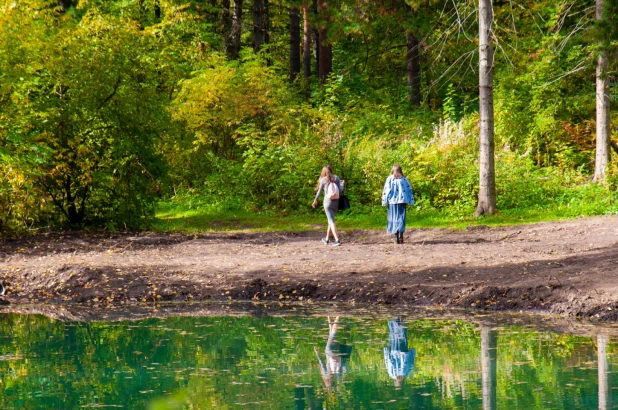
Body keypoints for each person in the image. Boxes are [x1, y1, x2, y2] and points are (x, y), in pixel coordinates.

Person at [314, 316, 352, 390]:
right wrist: (317, 353)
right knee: (331, 334)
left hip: (334, 351)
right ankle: (329, 315)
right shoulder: (331, 375)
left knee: (333, 334)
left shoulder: (332, 375)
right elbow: (322, 363)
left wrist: (317, 354)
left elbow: (344, 364)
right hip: (332, 351)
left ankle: (338, 315)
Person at [381, 164, 414, 244]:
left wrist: (410, 200)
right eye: (395, 175)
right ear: (393, 173)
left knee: (400, 218)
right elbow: (386, 191)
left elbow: (409, 190)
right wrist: (384, 201)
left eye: (398, 175)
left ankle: (400, 235)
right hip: (392, 202)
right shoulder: (390, 179)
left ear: (401, 173)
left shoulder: (404, 180)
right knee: (394, 218)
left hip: (401, 202)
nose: (397, 176)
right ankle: (397, 236)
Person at [312, 165, 343, 246]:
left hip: (327, 202)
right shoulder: (336, 178)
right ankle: (326, 239)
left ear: (323, 172)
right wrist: (342, 185)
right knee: (331, 220)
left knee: (331, 221)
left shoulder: (323, 180)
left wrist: (315, 200)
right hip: (336, 202)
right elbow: (340, 190)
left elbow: (319, 192)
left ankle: (337, 240)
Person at [384, 319, 416, 388]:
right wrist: (386, 352)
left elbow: (410, 363)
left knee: (402, 336)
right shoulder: (392, 374)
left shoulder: (406, 373)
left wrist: (412, 352)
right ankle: (394, 321)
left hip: (403, 352)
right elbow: (388, 362)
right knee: (393, 335)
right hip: (394, 351)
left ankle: (400, 322)